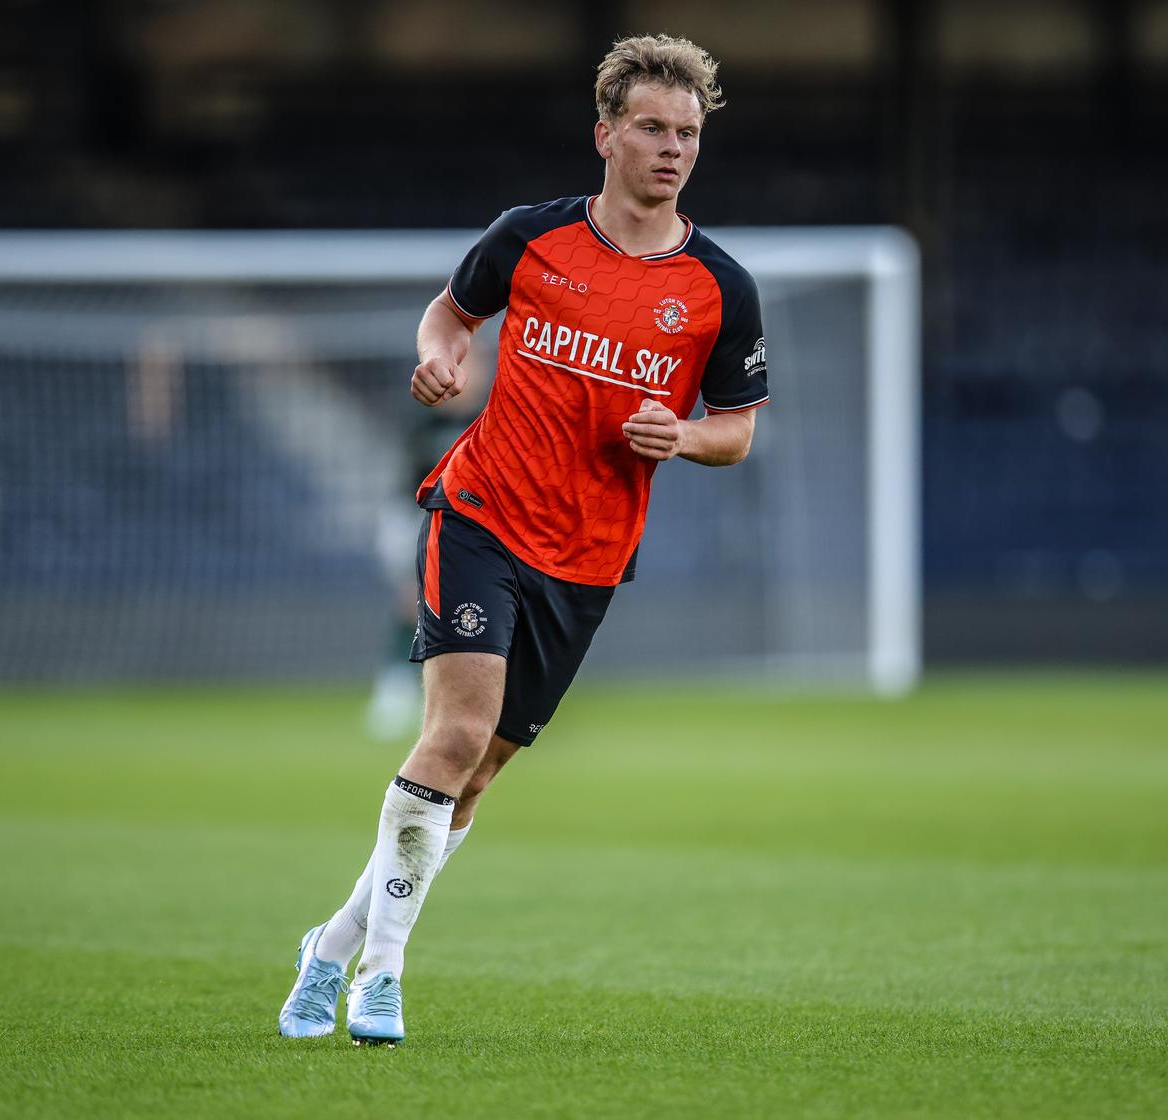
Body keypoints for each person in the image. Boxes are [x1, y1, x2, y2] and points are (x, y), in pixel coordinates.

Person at [279, 33, 770, 1044]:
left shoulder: (719, 289)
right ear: (605, 135)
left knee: (476, 775)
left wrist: (682, 435)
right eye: (651, 127)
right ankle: (382, 971)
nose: (672, 147)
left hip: (588, 555)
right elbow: (449, 318)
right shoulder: (532, 239)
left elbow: (739, 430)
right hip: (482, 512)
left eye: (687, 132)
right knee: (453, 734)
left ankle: (328, 944)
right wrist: (436, 361)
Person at [365, 341, 491, 741]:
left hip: (469, 528)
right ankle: (396, 689)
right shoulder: (426, 422)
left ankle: (477, 695)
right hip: (416, 519)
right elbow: (411, 485)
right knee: (415, 601)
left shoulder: (489, 420)